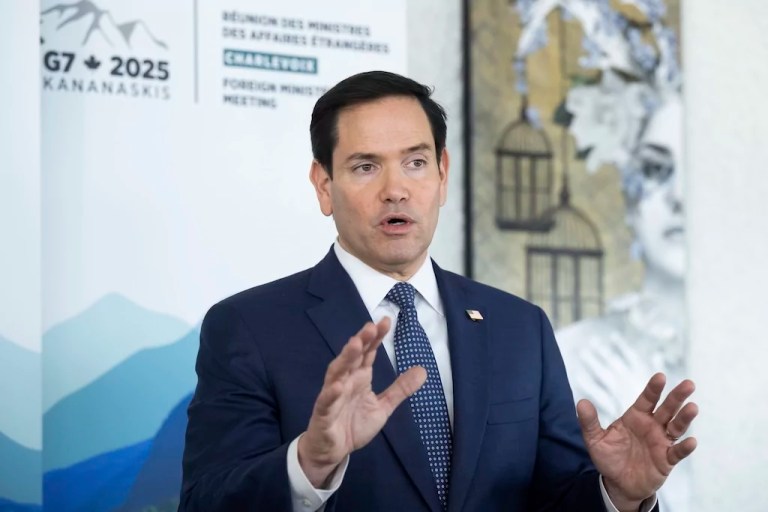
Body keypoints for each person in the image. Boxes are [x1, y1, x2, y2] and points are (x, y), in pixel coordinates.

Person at [179, 71, 697, 512]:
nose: (396, 189)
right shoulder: (249, 327)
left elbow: (555, 498)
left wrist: (617, 496)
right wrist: (308, 463)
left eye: (416, 161)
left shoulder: (520, 327)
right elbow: (204, 499)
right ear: (323, 185)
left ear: (442, 174)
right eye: (365, 166)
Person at [558, 93, 690, 511]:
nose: (680, 196)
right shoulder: (570, 356)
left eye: (703, 173)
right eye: (656, 169)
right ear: (630, 200)